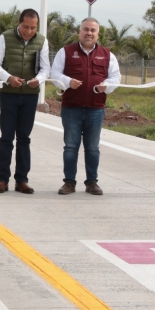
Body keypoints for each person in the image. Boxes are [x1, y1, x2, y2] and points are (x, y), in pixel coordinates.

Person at [50, 17, 121, 196]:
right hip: (71, 108)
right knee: (71, 147)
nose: (89, 33)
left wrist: (107, 85)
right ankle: (69, 183)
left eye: (93, 30)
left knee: (93, 148)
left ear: (97, 34)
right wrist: (67, 81)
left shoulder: (107, 54)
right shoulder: (65, 52)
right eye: (86, 29)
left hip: (95, 109)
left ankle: (92, 182)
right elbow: (55, 73)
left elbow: (116, 78)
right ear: (79, 32)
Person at [0, 8, 50, 194]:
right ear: (19, 23)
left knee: (24, 138)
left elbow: (45, 69)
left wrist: (37, 80)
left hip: (30, 96)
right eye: (25, 27)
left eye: (33, 28)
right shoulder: (5, 37)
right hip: (9, 94)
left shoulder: (42, 40)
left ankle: (22, 180)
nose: (29, 31)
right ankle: (2, 180)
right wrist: (9, 78)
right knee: (6, 138)